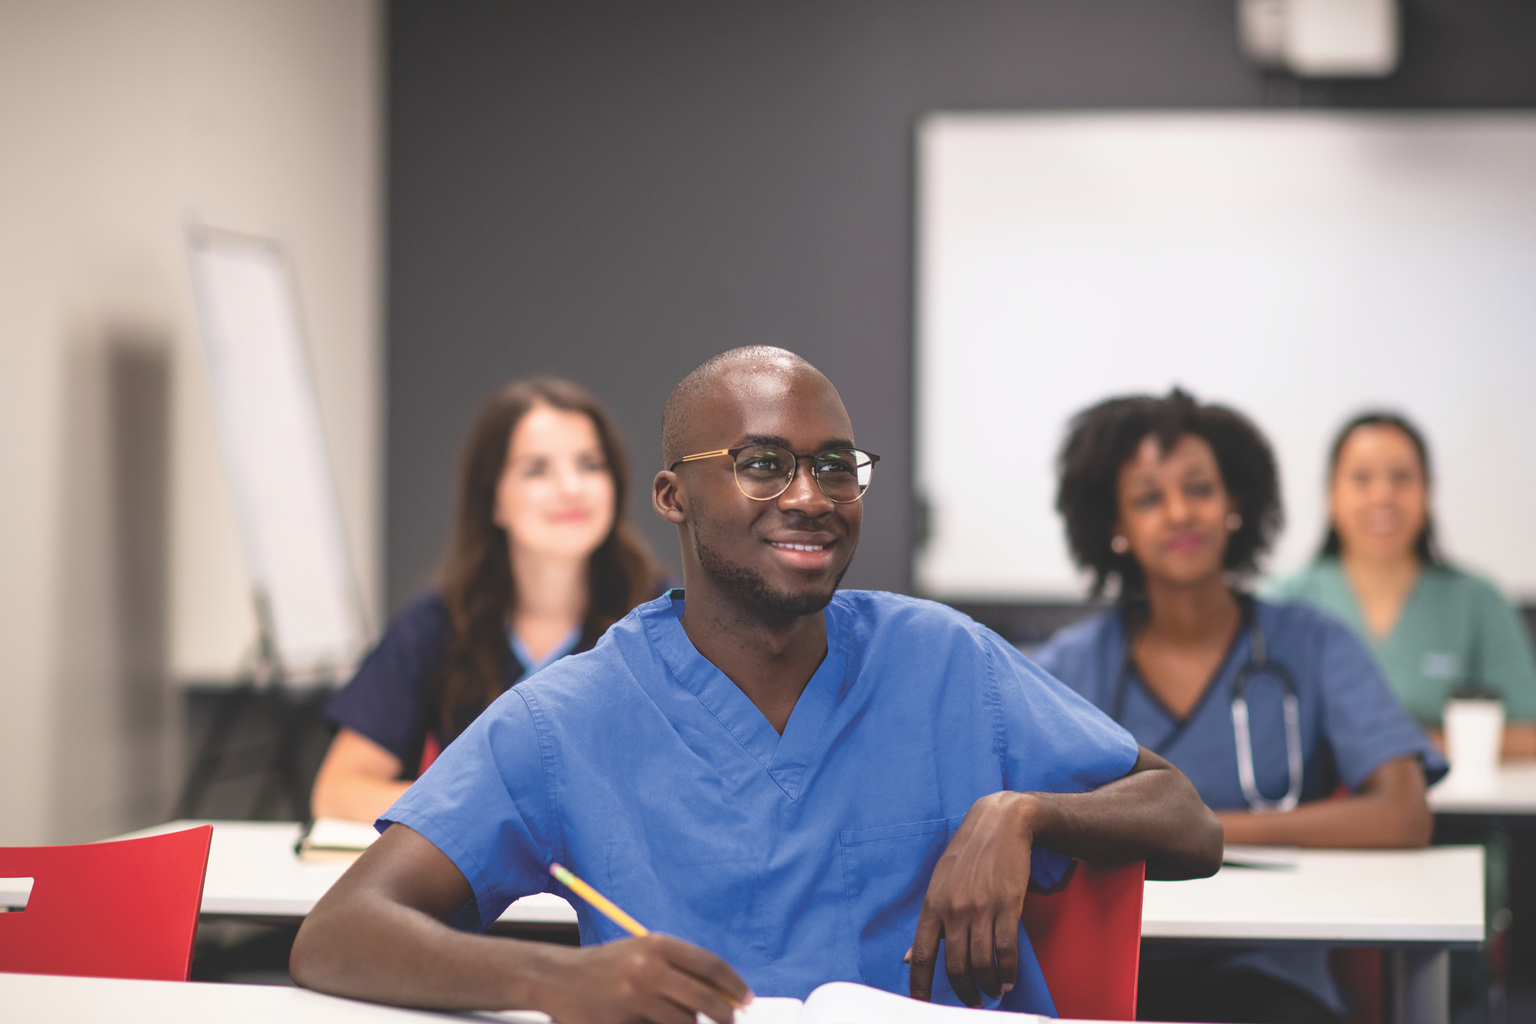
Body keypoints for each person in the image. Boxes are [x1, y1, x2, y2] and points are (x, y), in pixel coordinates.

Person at [290, 347, 1222, 1022]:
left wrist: (1027, 815)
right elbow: (340, 933)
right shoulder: (566, 719)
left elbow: (1186, 819)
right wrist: (549, 983)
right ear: (672, 499)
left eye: (833, 466)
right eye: (763, 465)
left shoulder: (944, 659)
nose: (811, 495)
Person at [1032, 389, 1445, 1024]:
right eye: (1147, 498)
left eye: (1199, 488)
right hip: (1123, 971)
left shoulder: (1313, 643)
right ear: (1113, 525)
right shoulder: (1071, 664)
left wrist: (1198, 830)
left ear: (1235, 506)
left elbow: (1403, 812)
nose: (1178, 512)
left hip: (1272, 969)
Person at [311, 378, 660, 824]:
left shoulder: (664, 620)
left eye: (591, 465)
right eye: (537, 469)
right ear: (494, 500)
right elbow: (337, 792)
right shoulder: (438, 626)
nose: (571, 487)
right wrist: (476, 800)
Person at [1269, 412, 1536, 757]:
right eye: (1361, 478)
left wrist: (1412, 751)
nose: (1383, 495)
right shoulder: (1284, 602)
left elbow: (1528, 733)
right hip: (1323, 807)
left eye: (1402, 478)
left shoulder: (1479, 601)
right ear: (1331, 496)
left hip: (1455, 807)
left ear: (1427, 493)